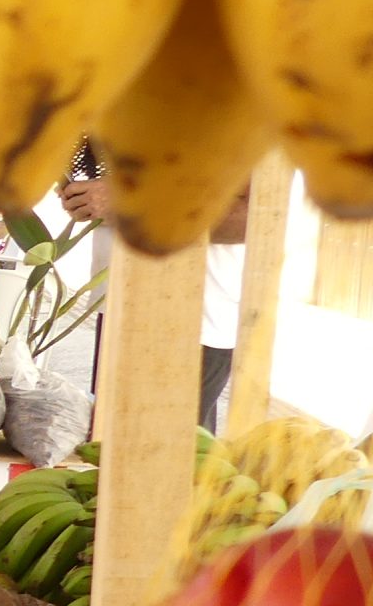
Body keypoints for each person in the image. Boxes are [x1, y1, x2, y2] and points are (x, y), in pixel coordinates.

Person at [58, 167, 250, 428]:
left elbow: (251, 216)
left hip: (187, 321)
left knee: (165, 460)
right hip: (118, 306)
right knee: (111, 453)